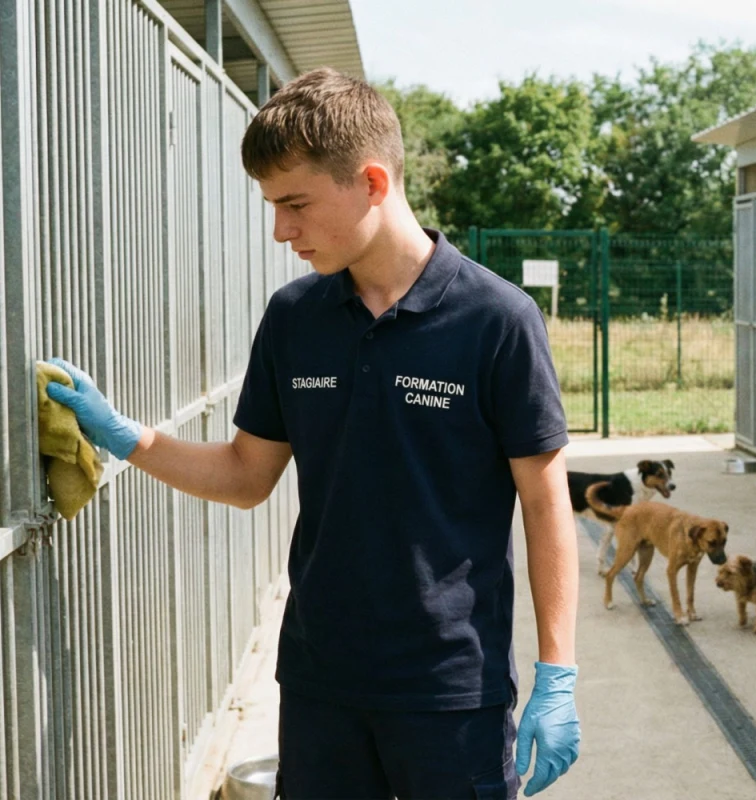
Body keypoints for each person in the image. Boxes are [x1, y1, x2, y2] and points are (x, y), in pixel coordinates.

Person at [44, 69, 580, 798]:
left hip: (451, 692)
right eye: (272, 206)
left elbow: (547, 504)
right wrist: (126, 436)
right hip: (320, 682)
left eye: (295, 204)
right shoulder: (295, 319)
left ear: (371, 182)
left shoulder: (497, 320)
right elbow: (244, 474)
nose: (280, 231)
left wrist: (558, 673)